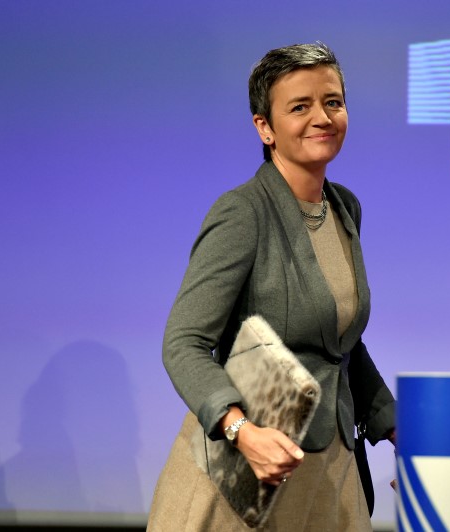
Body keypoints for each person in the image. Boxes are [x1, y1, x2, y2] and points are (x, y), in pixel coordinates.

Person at [147, 42, 396, 531]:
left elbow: (340, 344)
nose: (322, 117)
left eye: (333, 101)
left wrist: (393, 424)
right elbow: (184, 343)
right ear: (265, 127)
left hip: (328, 467)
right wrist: (241, 431)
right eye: (299, 106)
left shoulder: (345, 208)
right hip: (246, 470)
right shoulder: (243, 213)